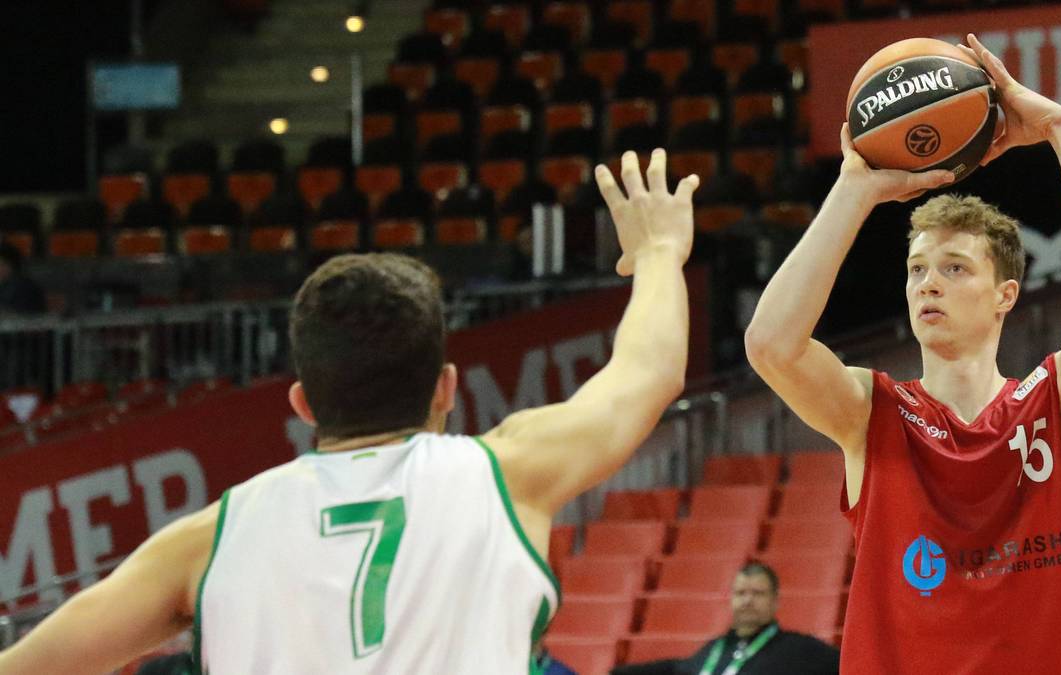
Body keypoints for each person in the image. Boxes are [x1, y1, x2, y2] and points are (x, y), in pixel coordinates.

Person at [0, 150, 701, 674]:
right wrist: (660, 252)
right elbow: (648, 371)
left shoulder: (207, 539)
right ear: (446, 388)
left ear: (302, 403)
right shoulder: (508, 471)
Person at [743, 34, 1061, 674]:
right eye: (917, 269)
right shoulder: (872, 412)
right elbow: (770, 343)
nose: (928, 284)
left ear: (1005, 295)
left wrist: (1060, 129)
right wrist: (853, 190)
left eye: (955, 267)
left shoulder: (1055, 405)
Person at [613, 562, 839, 675]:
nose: (748, 600)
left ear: (774, 601)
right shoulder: (716, 648)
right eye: (741, 593)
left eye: (758, 593)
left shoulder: (799, 649)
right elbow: (677, 668)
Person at [0, 242, 46, 315]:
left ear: (12, 266)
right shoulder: (3, 285)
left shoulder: (25, 287)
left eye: (2, 264)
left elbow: (18, 313)